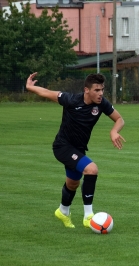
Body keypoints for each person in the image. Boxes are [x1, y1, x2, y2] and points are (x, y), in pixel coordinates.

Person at [26, 72, 125, 228]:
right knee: (91, 169)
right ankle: (88, 216)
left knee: (73, 183)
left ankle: (63, 211)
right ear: (87, 90)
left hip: (78, 150)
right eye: (97, 90)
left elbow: (119, 119)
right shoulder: (71, 100)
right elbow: (47, 93)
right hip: (62, 146)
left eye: (102, 90)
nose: (100, 94)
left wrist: (114, 131)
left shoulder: (101, 104)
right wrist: (30, 88)